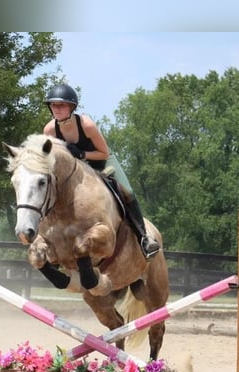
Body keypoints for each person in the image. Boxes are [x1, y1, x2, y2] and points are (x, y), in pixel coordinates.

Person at [43, 83, 160, 259]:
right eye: (53, 105)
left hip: (100, 161)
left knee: (126, 191)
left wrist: (82, 153)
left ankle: (144, 238)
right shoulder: (50, 130)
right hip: (75, 169)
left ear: (72, 106)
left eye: (61, 105)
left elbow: (103, 153)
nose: (57, 109)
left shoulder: (87, 125)